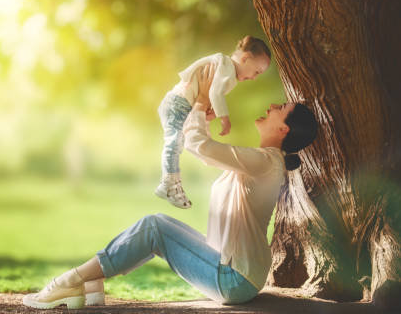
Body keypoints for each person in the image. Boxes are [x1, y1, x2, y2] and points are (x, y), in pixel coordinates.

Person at [22, 63, 318, 309]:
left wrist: (199, 104)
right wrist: (200, 114)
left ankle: (69, 281)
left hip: (233, 278)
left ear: (284, 129)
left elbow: (199, 146)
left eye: (279, 107)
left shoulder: (266, 162)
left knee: (154, 228)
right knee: (158, 225)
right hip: (236, 270)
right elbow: (208, 155)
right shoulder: (263, 161)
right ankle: (90, 283)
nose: (271, 105)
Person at [155, 36, 271, 209]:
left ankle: (170, 182)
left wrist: (205, 111)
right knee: (174, 143)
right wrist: (224, 118)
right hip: (178, 102)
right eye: (256, 72)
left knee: (179, 141)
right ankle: (169, 183)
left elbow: (211, 95)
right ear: (245, 58)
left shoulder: (226, 70)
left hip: (184, 105)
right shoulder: (225, 66)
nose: (254, 78)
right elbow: (215, 94)